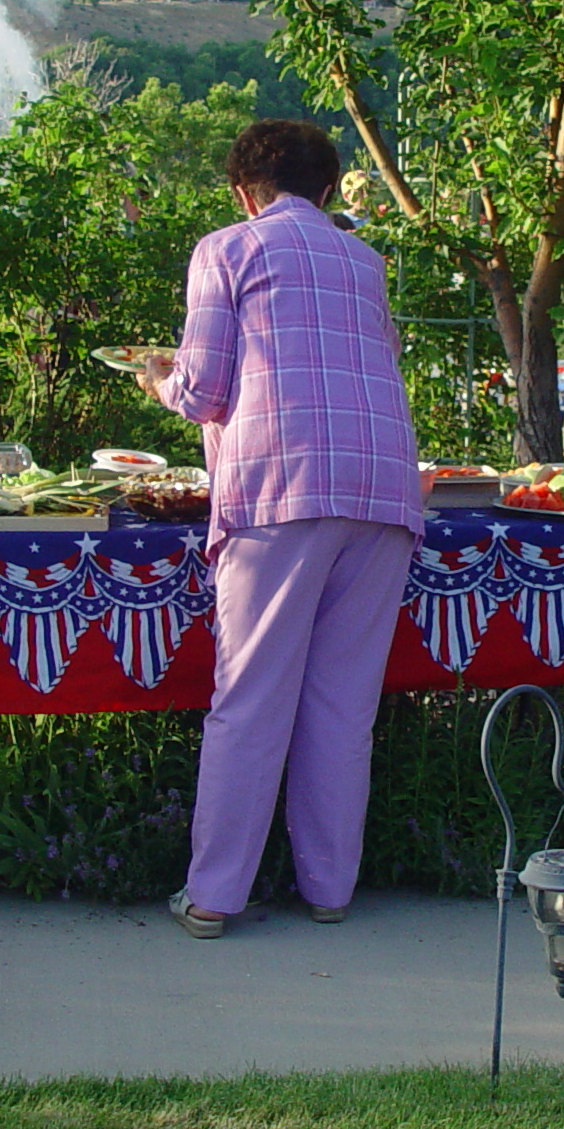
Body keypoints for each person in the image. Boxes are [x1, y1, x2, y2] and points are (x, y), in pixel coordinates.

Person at [137, 120, 424, 931]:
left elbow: (202, 392)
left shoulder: (225, 250)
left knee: (252, 700)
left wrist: (159, 378)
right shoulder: (365, 262)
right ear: (328, 190)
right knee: (342, 707)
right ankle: (329, 891)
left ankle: (213, 897)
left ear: (242, 191)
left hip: (278, 485)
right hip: (381, 488)